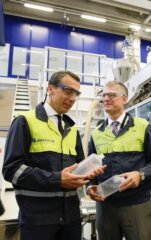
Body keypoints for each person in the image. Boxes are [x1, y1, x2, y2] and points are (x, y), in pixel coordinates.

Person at [2, 71, 106, 240]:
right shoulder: (25, 121)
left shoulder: (71, 129)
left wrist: (88, 176)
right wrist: (57, 179)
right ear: (51, 89)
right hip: (38, 220)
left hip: (71, 218)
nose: (73, 98)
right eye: (68, 91)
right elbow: (12, 170)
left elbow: (78, 168)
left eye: (76, 93)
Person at [87, 81, 151, 240]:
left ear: (124, 99)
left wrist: (140, 174)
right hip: (105, 205)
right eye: (104, 95)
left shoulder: (141, 126)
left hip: (136, 204)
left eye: (112, 95)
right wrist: (89, 187)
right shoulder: (96, 133)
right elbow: (91, 169)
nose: (106, 98)